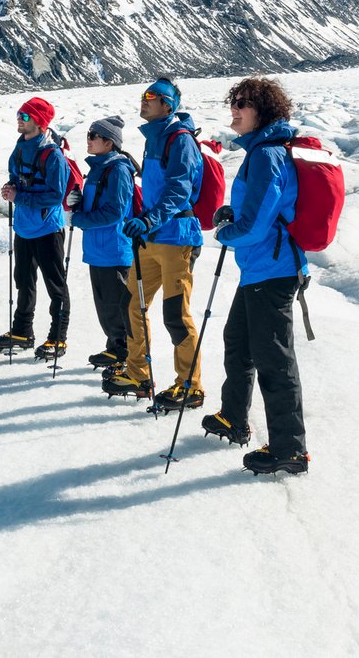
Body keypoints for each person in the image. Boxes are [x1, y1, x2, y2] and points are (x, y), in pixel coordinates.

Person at [206, 75, 311, 475]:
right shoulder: (262, 151)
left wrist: (226, 231)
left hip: (272, 268)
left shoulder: (267, 155)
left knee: (274, 359)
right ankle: (234, 418)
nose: (235, 109)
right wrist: (233, 217)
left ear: (262, 110)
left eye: (244, 103)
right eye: (234, 101)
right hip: (261, 268)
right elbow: (257, 213)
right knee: (238, 341)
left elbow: (255, 225)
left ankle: (289, 449)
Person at [103, 77, 205, 410]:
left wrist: (148, 220)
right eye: (143, 95)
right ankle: (139, 374)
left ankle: (189, 385)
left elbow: (178, 191)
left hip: (176, 237)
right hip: (151, 238)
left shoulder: (180, 140)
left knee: (176, 314)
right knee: (134, 305)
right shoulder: (154, 138)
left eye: (152, 96)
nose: (144, 100)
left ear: (168, 105)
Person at [0, 96, 71, 358]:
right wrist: (10, 189)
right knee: (23, 281)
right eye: (19, 114)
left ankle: (57, 338)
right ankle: (22, 330)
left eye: (25, 116)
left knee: (55, 285)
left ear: (38, 122)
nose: (19, 118)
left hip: (48, 228)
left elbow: (55, 195)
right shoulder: (19, 149)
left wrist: (19, 197)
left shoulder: (53, 156)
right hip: (25, 227)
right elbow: (19, 180)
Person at [69, 116, 137, 373]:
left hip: (113, 249)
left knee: (117, 306)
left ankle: (125, 353)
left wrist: (80, 218)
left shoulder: (117, 170)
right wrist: (78, 203)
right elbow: (100, 205)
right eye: (89, 134)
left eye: (93, 135)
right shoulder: (100, 168)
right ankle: (115, 348)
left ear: (109, 143)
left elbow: (115, 212)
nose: (89, 139)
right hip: (98, 249)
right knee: (107, 306)